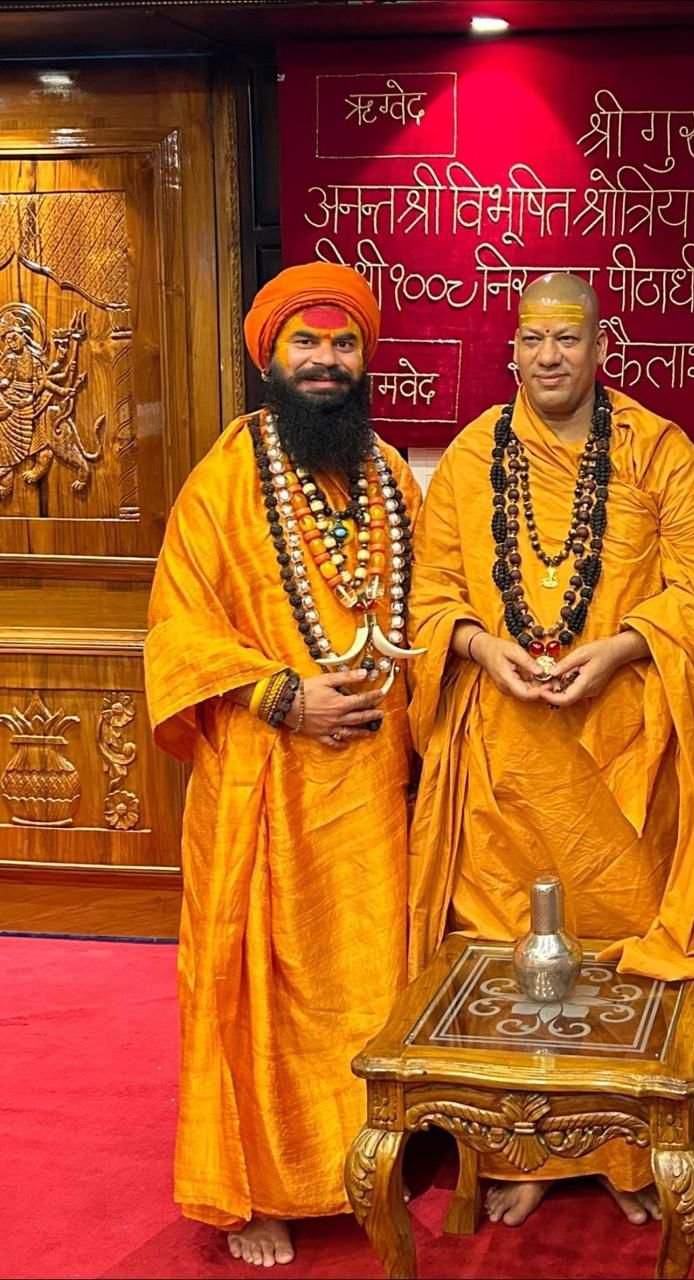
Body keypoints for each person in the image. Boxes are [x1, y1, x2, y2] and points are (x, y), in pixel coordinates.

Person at [406, 272, 694, 1229]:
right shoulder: (474, 457)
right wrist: (481, 647)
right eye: (534, 339)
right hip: (503, 754)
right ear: (512, 353)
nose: (550, 356)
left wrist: (622, 646)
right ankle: (522, 1152)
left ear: (602, 349)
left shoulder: (657, 450)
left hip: (629, 759)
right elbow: (431, 599)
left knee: (621, 956)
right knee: (506, 955)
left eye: (568, 338)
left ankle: (627, 1150)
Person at [144, 263, 421, 1267]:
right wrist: (282, 695)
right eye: (307, 342)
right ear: (270, 356)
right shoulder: (225, 478)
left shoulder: (390, 477)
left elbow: (425, 608)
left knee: (371, 974)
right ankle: (253, 1188)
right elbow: (178, 631)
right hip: (265, 773)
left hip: (372, 784)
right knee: (253, 985)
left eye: (343, 344)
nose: (325, 361)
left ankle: (363, 1157)